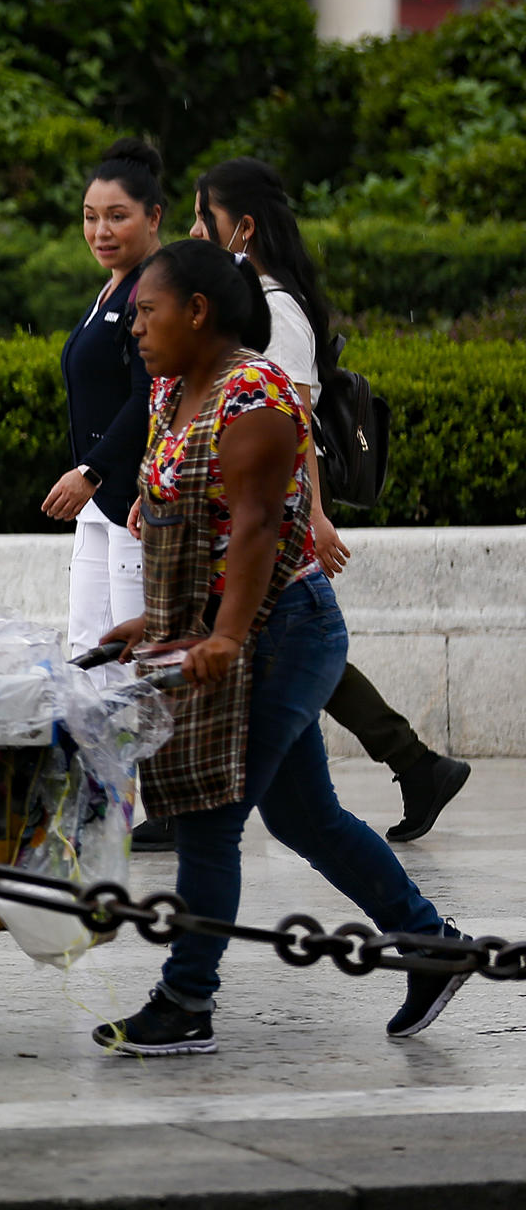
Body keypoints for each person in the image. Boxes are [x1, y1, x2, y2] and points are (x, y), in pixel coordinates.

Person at [92, 241, 466, 1056]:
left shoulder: (252, 394)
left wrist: (225, 634)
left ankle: (187, 999)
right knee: (306, 817)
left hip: (286, 631)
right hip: (227, 631)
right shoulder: (172, 392)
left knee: (210, 814)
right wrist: (154, 626)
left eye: (149, 312)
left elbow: (259, 523)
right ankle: (431, 944)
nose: (136, 329)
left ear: (198, 312)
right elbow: (189, 526)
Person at [131, 158, 469, 850]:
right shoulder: (251, 300)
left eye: (205, 217)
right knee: (293, 672)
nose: (195, 230)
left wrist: (309, 518)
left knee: (288, 642)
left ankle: (411, 762)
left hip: (271, 522)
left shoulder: (271, 309)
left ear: (243, 227)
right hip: (255, 524)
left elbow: (292, 422)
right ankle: (414, 764)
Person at [42, 139, 161, 685]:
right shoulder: (111, 289)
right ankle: (101, 773)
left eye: (118, 217)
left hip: (133, 502)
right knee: (86, 655)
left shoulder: (153, 290)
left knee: (132, 661)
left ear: (153, 216)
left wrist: (93, 469)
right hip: (100, 503)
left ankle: (147, 771)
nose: (101, 232)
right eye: (91, 218)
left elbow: (148, 396)